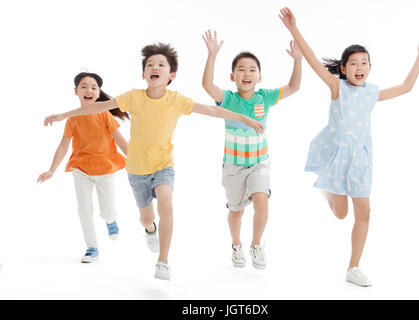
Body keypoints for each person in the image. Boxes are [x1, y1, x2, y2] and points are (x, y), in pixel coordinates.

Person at [44, 43, 264, 280]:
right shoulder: (133, 97)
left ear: (171, 75)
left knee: (166, 204)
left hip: (163, 166)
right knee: (147, 218)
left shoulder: (177, 100)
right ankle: (151, 230)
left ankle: (163, 261)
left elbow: (214, 111)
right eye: (150, 64)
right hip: (137, 169)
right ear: (144, 74)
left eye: (161, 64)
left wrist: (245, 118)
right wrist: (62, 116)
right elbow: (96, 107)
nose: (154, 67)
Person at [279, 7, 419, 286]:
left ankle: (353, 267)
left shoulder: (372, 93)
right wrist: (294, 30)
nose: (359, 68)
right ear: (343, 68)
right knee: (341, 214)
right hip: (337, 158)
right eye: (353, 63)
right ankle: (327, 192)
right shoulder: (337, 88)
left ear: (370, 68)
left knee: (365, 212)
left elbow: (407, 86)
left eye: (364, 63)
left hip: (362, 160)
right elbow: (314, 62)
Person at [201, 30, 302, 270]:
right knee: (236, 211)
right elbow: (206, 85)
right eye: (241, 69)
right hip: (233, 166)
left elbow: (293, 87)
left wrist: (298, 60)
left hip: (260, 163)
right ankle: (237, 245)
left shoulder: (265, 97)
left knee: (261, 201)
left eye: (252, 69)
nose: (247, 73)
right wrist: (212, 54)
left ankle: (256, 245)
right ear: (233, 75)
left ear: (260, 77)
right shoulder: (227, 99)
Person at [38, 72, 129, 263]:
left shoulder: (104, 114)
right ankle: (92, 247)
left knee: (107, 210)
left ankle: (111, 221)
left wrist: (136, 161)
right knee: (84, 209)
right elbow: (63, 146)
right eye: (84, 86)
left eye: (94, 87)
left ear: (98, 93)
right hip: (81, 169)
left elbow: (120, 141)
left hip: (105, 168)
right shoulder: (72, 119)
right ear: (76, 91)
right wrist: (51, 170)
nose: (89, 90)